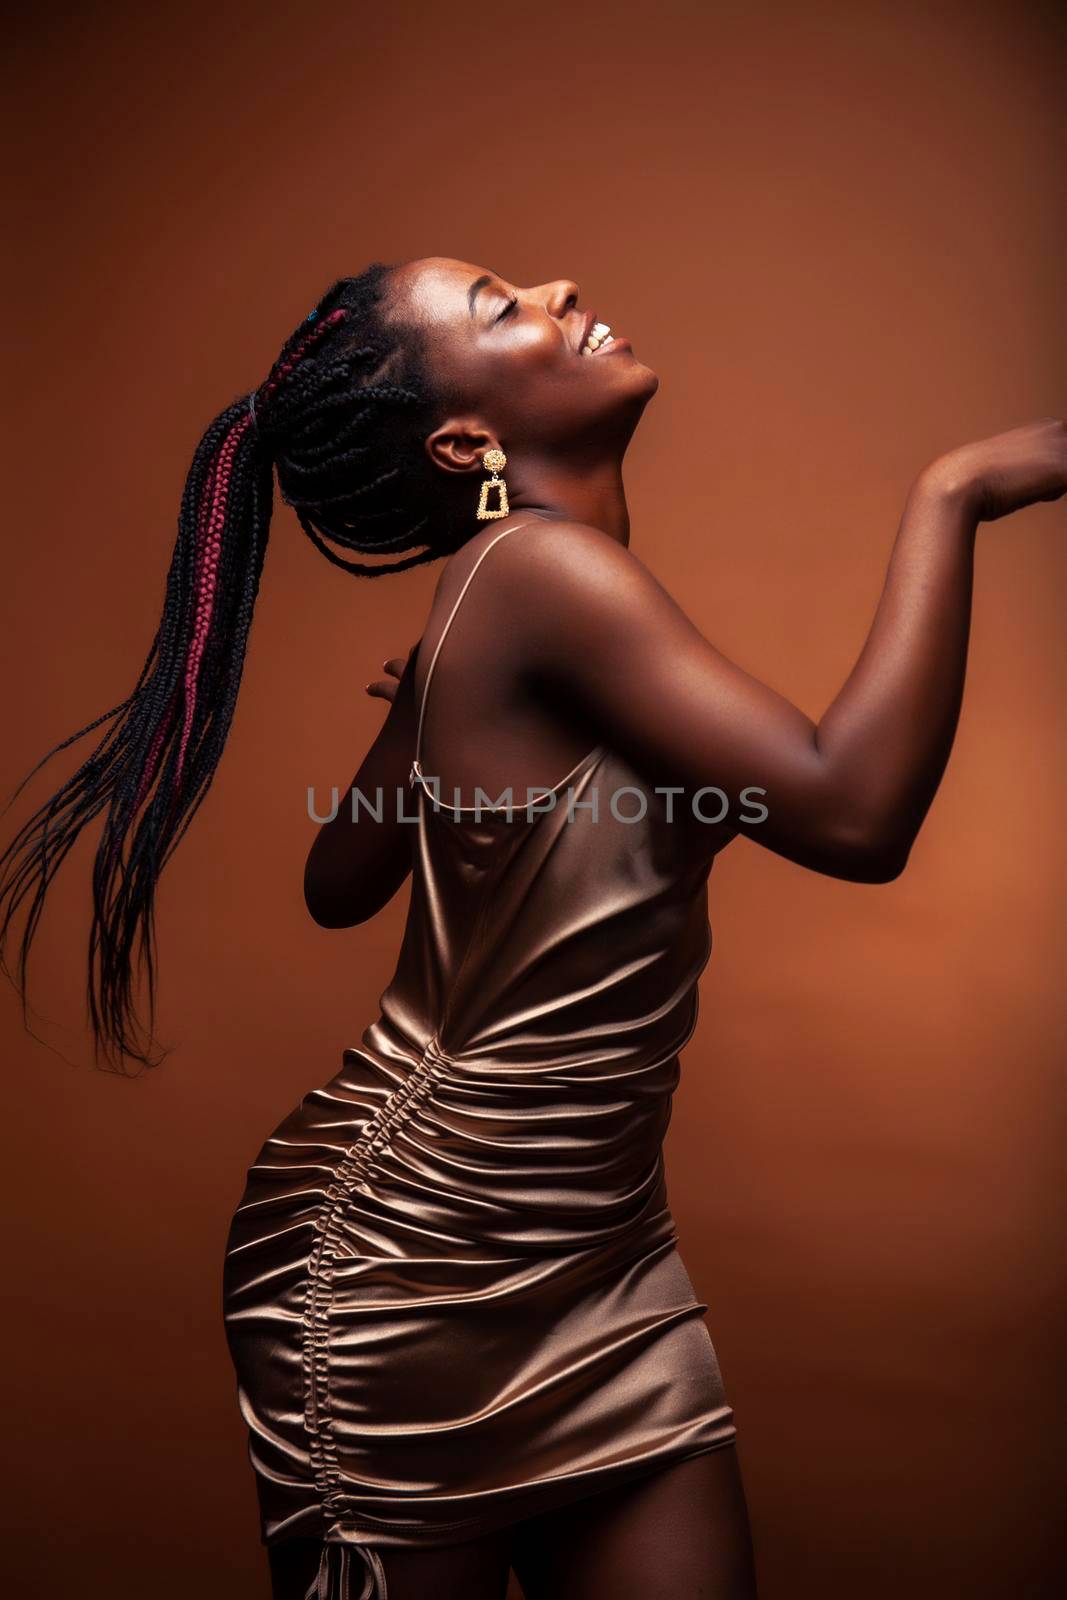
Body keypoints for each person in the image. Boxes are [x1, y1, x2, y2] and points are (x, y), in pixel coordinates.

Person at [0, 257, 1062, 1600]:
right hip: (410, 1266)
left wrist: (425, 711)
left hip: (606, 1259)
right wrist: (953, 494)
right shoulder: (540, 575)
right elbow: (853, 814)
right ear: (465, 441)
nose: (559, 286)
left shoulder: (503, 594)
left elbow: (340, 880)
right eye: (503, 306)